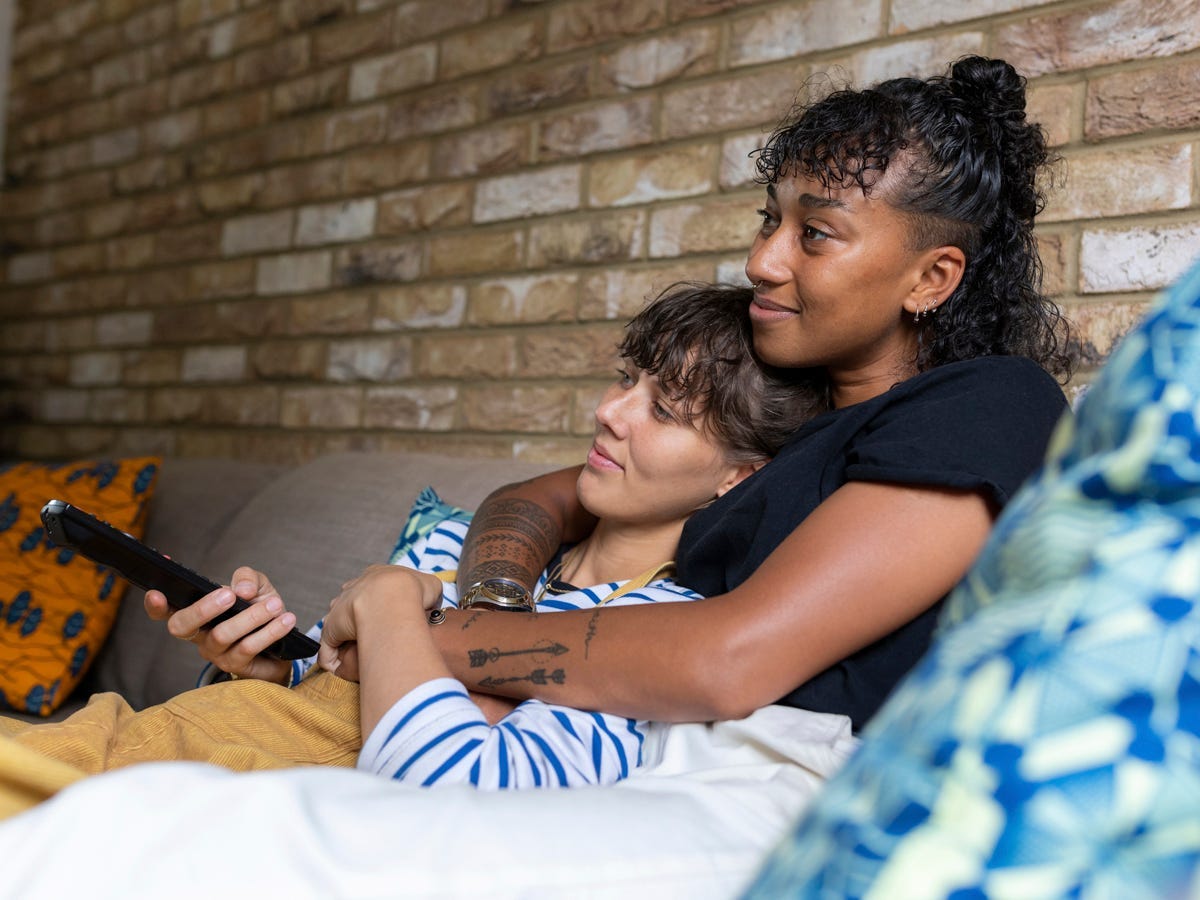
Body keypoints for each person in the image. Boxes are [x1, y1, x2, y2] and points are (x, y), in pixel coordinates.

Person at [149, 56, 1073, 735]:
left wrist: (407, 629)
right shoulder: (786, 402)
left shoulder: (991, 406)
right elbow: (535, 501)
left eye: (816, 234)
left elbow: (727, 659)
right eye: (770, 220)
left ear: (931, 277)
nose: (763, 259)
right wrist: (352, 648)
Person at [1, 283, 821, 795]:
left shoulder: (654, 628)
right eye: (626, 379)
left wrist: (393, 600)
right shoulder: (464, 544)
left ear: (740, 477)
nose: (611, 412)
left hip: (197, 796)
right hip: (140, 740)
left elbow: (459, 786)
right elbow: (328, 681)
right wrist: (264, 655)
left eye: (666, 410)